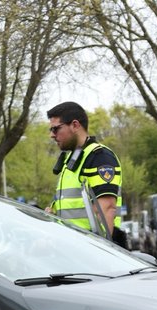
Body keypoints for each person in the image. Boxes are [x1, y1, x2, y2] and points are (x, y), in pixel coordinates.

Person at [45, 101, 127, 247]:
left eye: (56, 129)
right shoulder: (72, 160)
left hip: (91, 252)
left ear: (75, 125)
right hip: (74, 249)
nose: (52, 135)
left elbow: (107, 208)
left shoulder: (100, 157)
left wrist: (100, 254)